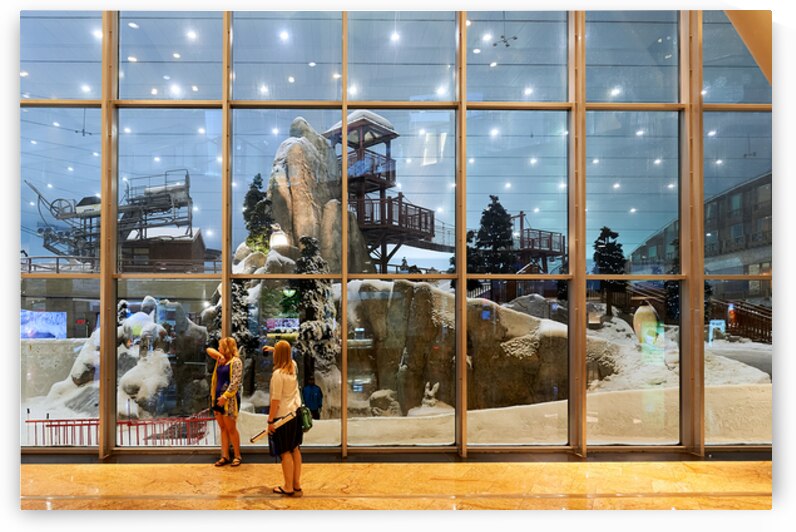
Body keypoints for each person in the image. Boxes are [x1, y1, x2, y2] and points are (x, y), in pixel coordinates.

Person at [266, 340, 303, 496]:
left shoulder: (278, 374)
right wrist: (277, 349)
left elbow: (275, 400)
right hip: (296, 414)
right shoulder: (292, 366)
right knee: (295, 448)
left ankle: (287, 487)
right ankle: (296, 484)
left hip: (283, 417)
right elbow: (286, 355)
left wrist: (270, 421)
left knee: (285, 452)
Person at [206, 337, 243, 467]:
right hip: (217, 397)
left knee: (231, 428)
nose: (218, 348)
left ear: (227, 347)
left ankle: (237, 455)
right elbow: (208, 350)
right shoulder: (220, 360)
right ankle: (225, 455)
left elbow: (235, 382)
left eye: (220, 346)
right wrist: (220, 355)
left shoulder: (236, 362)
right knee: (222, 428)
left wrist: (225, 396)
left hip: (229, 400)